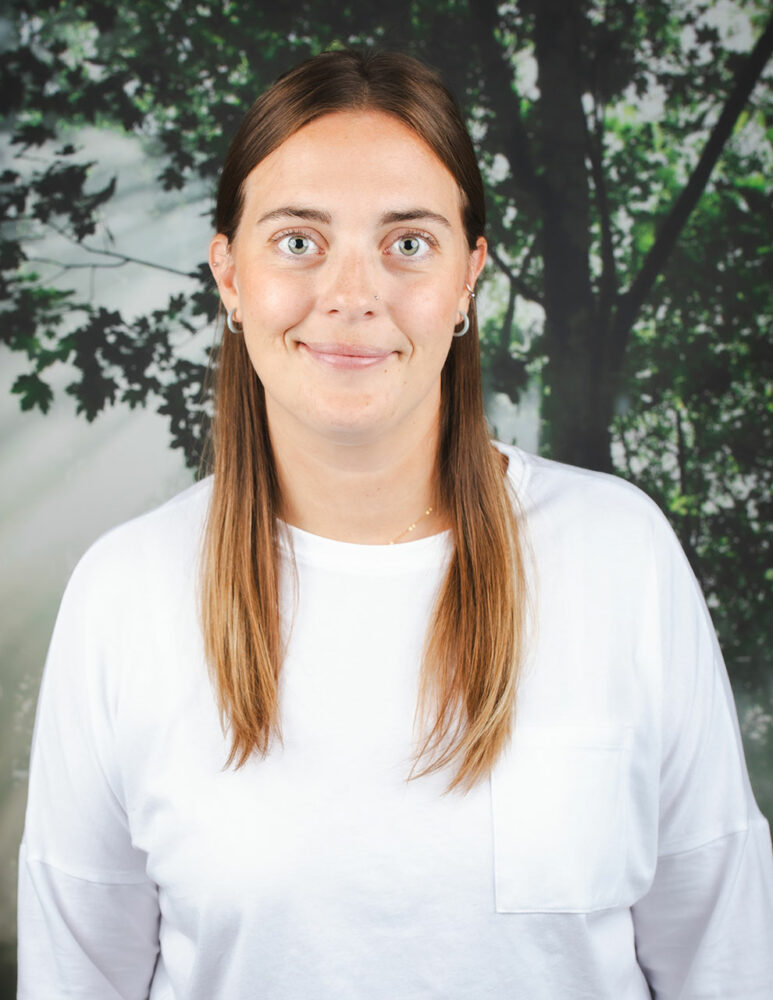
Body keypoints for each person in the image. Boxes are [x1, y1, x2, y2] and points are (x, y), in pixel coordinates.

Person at [17, 49, 773, 1000]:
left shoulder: (618, 554)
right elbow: (77, 977)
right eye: (297, 240)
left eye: (407, 242)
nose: (352, 292)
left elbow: (726, 959)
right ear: (229, 274)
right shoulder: (125, 590)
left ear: (469, 278)